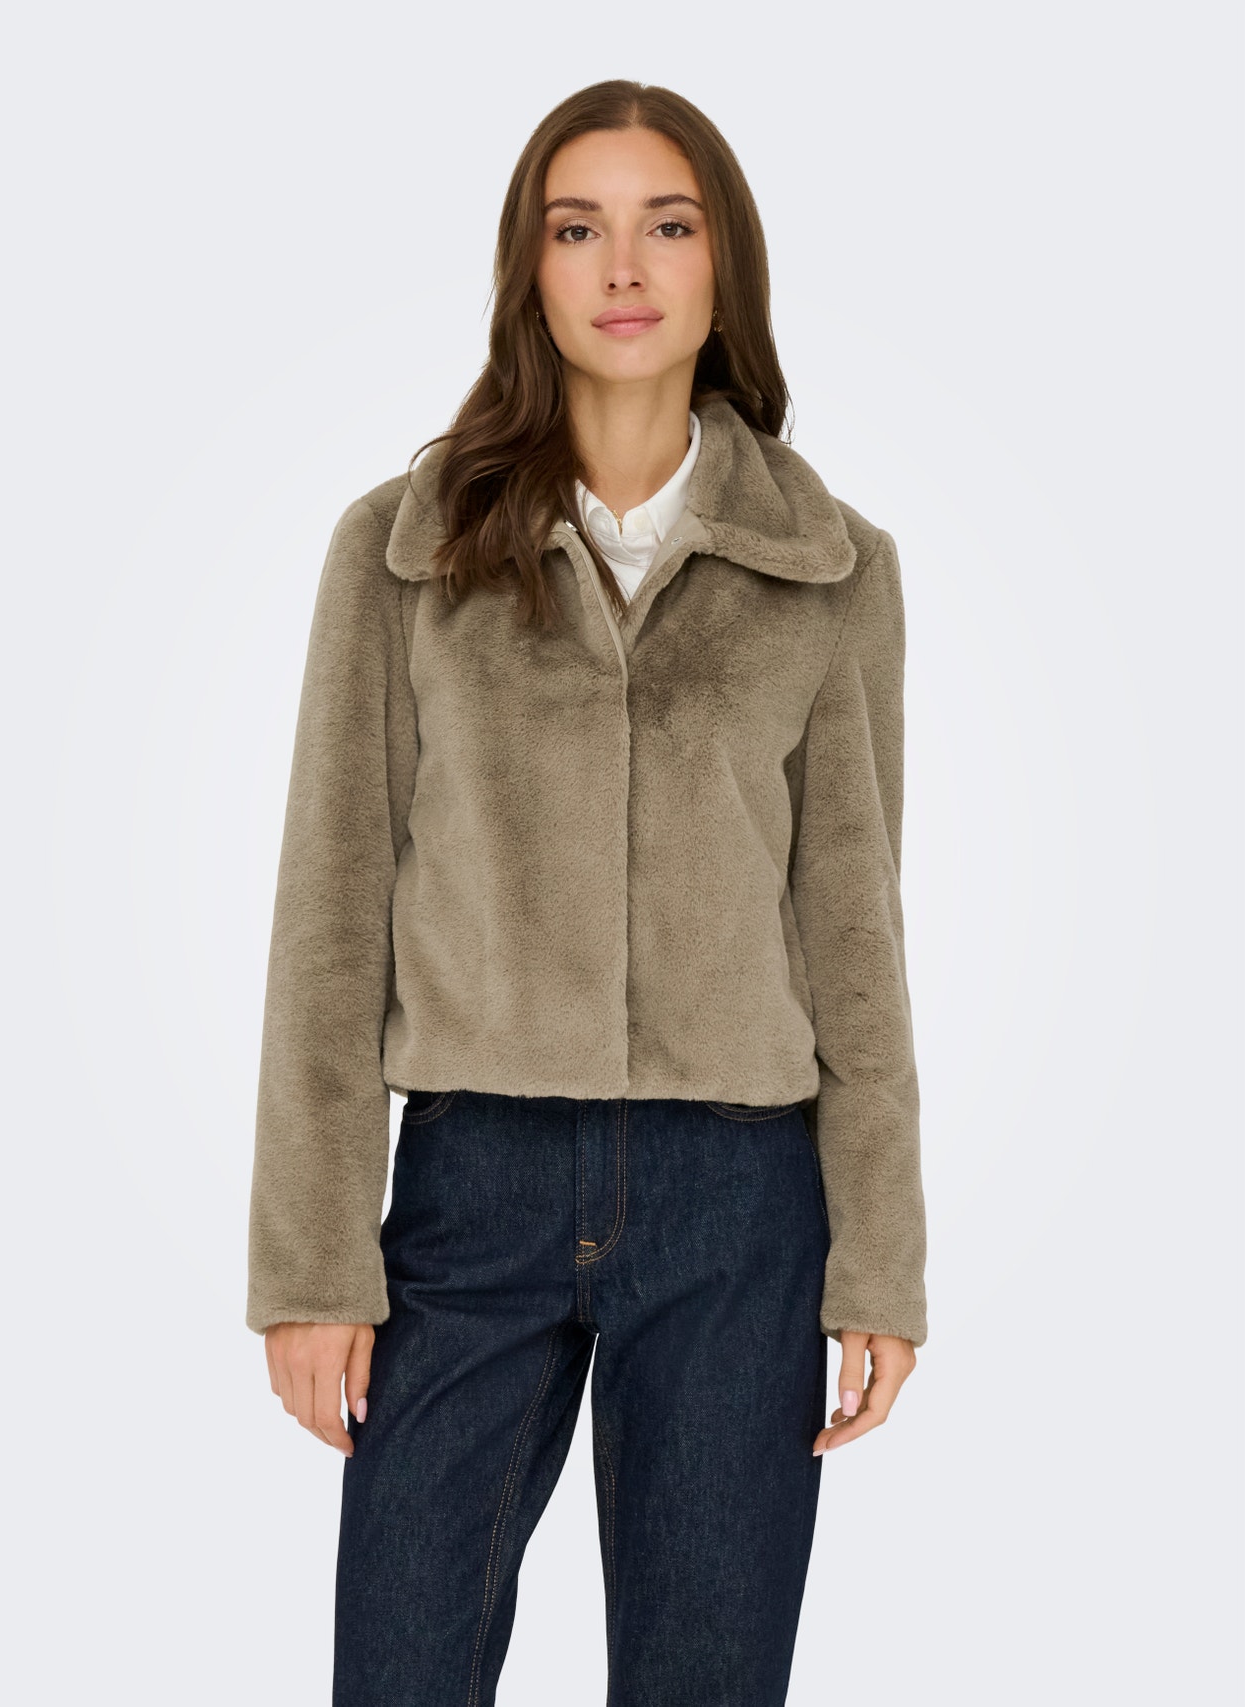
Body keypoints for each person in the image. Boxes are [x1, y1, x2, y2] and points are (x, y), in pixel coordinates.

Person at [246, 78, 928, 1707]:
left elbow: (855, 933)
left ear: (721, 265)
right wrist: (314, 1263)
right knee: (401, 1667)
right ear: (531, 271)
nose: (624, 265)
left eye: (666, 225)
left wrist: (881, 1258)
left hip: (740, 1200)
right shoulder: (402, 552)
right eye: (579, 228)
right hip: (472, 1182)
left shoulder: (832, 569)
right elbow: (330, 919)